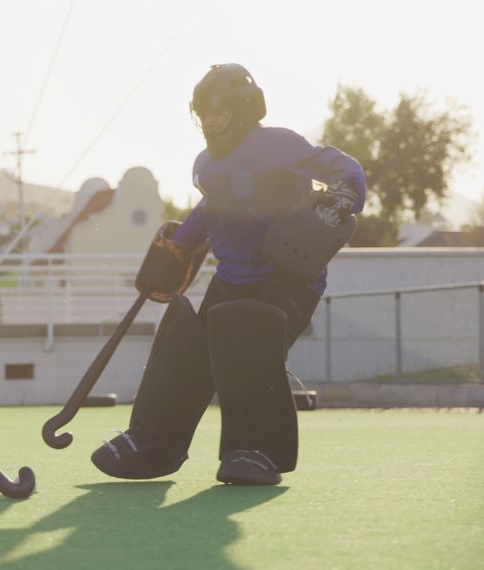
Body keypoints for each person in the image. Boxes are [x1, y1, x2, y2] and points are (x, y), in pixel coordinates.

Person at [91, 63, 366, 485]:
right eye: (201, 114)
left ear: (241, 110)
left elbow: (336, 163)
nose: (207, 122)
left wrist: (345, 192)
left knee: (248, 335)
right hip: (232, 279)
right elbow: (210, 209)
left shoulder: (278, 145)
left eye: (215, 113)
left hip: (287, 279)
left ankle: (256, 451)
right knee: (186, 340)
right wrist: (179, 244)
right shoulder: (206, 164)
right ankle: (153, 444)